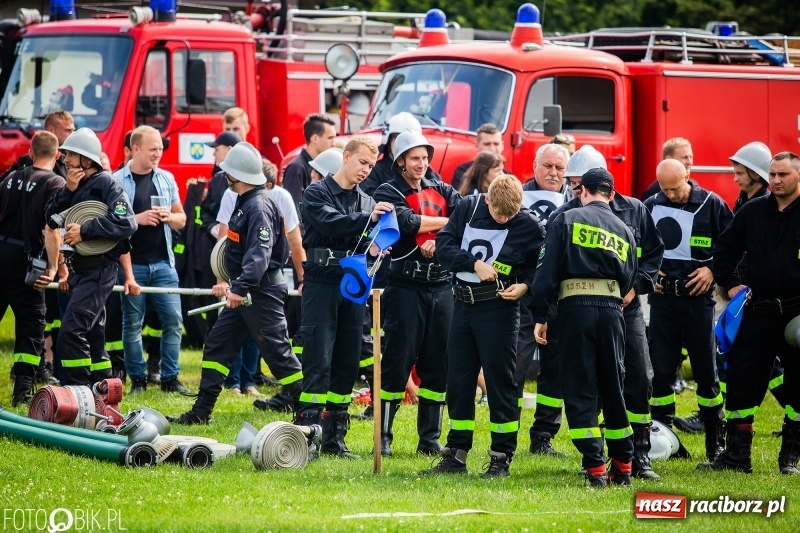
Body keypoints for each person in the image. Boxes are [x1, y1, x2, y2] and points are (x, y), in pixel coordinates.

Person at [548, 145, 665, 480]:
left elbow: (652, 256)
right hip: (589, 307)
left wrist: (634, 289)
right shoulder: (566, 214)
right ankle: (601, 457)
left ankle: (639, 456)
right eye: (571, 183)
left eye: (577, 182)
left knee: (639, 376)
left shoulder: (635, 211)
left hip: (625, 308)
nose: (573, 189)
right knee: (591, 379)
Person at [169, 142, 304, 425]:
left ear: (237, 175)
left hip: (259, 291)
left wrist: (239, 289)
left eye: (227, 171)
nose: (223, 175)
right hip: (246, 289)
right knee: (217, 345)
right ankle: (201, 412)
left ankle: (309, 413)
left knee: (278, 353)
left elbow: (259, 255)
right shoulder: (246, 201)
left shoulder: (258, 206)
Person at [423, 175, 545, 478]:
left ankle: (501, 457)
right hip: (463, 305)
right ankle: (456, 454)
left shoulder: (529, 225)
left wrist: (526, 287)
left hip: (500, 310)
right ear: (487, 199)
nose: (504, 219)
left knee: (501, 383)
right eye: (499, 214)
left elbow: (542, 267)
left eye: (509, 215)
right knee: (460, 380)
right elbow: (444, 244)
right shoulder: (468, 207)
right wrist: (472, 264)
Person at [532, 167, 638, 487]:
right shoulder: (625, 229)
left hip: (574, 309)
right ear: (611, 194)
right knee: (613, 389)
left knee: (580, 388)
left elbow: (547, 272)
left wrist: (542, 314)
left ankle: (595, 468)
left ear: (582, 191)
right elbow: (629, 277)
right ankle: (623, 464)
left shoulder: (566, 220)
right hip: (611, 312)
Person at [294, 137, 394, 459]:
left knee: (347, 360)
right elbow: (330, 223)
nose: (366, 170)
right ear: (346, 156)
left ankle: (335, 438)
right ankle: (307, 437)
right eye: (362, 162)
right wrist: (369, 221)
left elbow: (364, 238)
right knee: (318, 357)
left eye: (371, 165)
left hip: (354, 283)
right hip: (322, 282)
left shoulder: (368, 201)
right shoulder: (317, 193)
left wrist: (378, 245)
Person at [707, 151, 800, 475]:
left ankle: (789, 459)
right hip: (758, 310)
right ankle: (737, 457)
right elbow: (724, 249)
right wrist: (731, 286)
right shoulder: (752, 211)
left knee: (799, 386)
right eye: (772, 174)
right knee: (742, 380)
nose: (775, 180)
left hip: (797, 314)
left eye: (783, 175)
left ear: (797, 176)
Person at [372, 130, 461, 457]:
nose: (421, 164)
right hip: (405, 287)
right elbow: (406, 222)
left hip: (441, 287)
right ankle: (382, 436)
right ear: (401, 162)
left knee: (438, 363)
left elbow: (462, 219)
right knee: (396, 361)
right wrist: (445, 225)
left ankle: (430, 439)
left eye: (424, 158)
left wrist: (440, 238)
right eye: (414, 159)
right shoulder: (389, 189)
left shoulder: (443, 189)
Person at [644, 158, 732, 463]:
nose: (670, 195)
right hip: (664, 302)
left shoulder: (712, 204)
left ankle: (714, 442)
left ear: (689, 176)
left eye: (676, 188)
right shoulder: (650, 204)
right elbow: (635, 245)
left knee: (706, 374)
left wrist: (712, 271)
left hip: (698, 303)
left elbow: (734, 248)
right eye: (665, 189)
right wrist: (647, 274)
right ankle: (663, 438)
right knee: (660, 375)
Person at [43, 128, 137, 386]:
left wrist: (85, 230)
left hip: (99, 270)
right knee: (94, 334)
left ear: (87, 159)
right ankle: (105, 389)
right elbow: (50, 219)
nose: (65, 159)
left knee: (71, 331)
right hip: (79, 271)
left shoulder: (107, 184)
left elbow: (127, 223)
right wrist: (69, 191)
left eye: (71, 154)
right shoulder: (74, 184)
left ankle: (78, 391)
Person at [114, 125, 188, 394]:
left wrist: (169, 217)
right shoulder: (117, 181)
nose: (158, 153)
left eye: (160, 148)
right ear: (135, 149)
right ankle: (138, 380)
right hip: (133, 266)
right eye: (152, 148)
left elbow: (182, 219)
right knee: (132, 323)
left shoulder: (166, 178)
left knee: (173, 320)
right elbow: (111, 225)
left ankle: (170, 379)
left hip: (164, 264)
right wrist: (138, 219)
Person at [0, 131, 65, 405]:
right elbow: (51, 230)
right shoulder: (55, 183)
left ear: (30, 151)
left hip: (1, 255)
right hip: (28, 264)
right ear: (58, 155)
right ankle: (22, 393)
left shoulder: (10, 177)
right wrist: (54, 267)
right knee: (31, 326)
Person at [517, 142, 572, 457]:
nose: (553, 173)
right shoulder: (518, 195)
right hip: (523, 295)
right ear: (535, 166)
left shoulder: (576, 197)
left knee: (555, 369)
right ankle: (505, 433)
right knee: (514, 366)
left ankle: (543, 437)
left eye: (559, 168)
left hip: (560, 296)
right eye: (547, 166)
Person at [361, 112, 441, 197]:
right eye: (399, 139)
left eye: (411, 141)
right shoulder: (373, 171)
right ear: (388, 140)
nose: (405, 146)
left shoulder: (425, 170)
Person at [282, 113, 336, 210]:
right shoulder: (296, 168)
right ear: (315, 138)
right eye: (330, 138)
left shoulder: (323, 165)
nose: (334, 143)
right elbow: (293, 210)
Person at [2, 111, 74, 180]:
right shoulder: (27, 161)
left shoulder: (73, 161)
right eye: (67, 130)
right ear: (51, 130)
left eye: (73, 130)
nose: (72, 134)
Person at [451, 123, 505, 191]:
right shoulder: (462, 172)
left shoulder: (508, 175)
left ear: (502, 146)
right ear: (477, 146)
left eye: (496, 144)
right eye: (487, 144)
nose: (492, 149)